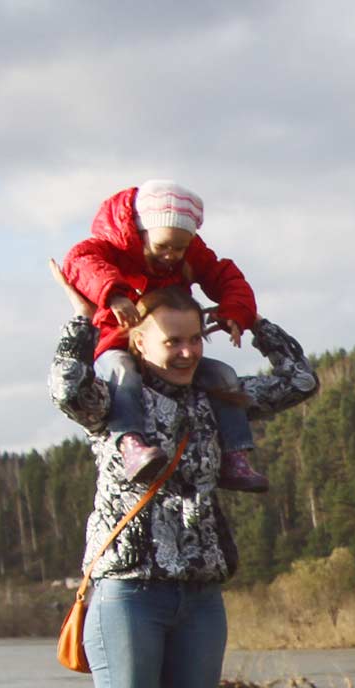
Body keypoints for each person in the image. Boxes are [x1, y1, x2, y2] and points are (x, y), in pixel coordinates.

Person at [48, 271, 318, 688]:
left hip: (200, 594)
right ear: (137, 339)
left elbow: (301, 378)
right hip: (128, 591)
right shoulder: (112, 397)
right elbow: (63, 386)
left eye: (195, 338)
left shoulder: (216, 395)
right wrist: (86, 321)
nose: (188, 351)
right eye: (173, 340)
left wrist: (249, 322)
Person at [59, 179, 273, 494]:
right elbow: (80, 263)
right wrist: (115, 294)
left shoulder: (189, 253)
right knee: (122, 374)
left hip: (170, 354)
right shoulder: (112, 247)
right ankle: (131, 443)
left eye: (179, 248)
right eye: (163, 247)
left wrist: (235, 312)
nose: (171, 255)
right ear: (141, 233)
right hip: (117, 344)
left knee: (222, 375)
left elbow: (224, 275)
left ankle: (235, 457)